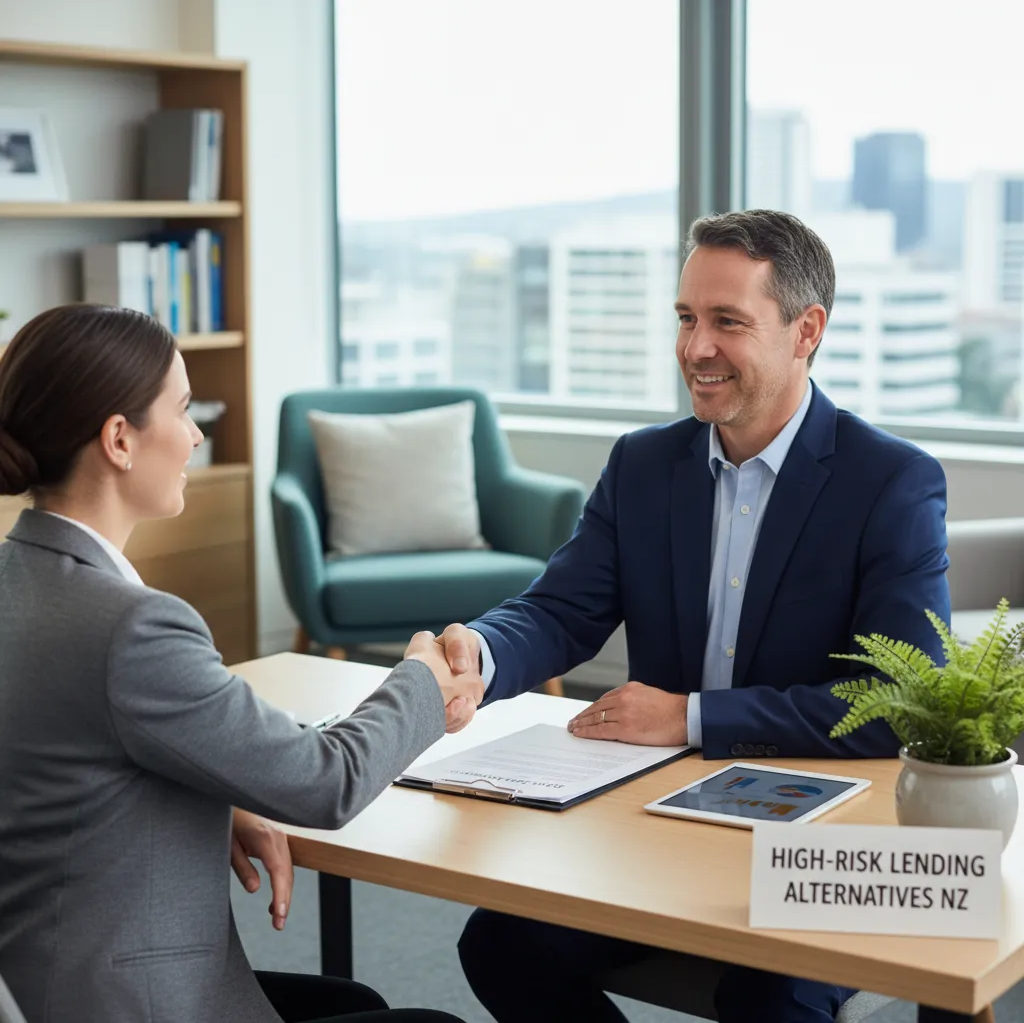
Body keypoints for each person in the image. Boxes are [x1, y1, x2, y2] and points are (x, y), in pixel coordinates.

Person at [436, 210, 951, 1023]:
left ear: (806, 330)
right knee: (501, 943)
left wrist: (689, 716)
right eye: (686, 318)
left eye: (727, 322)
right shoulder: (643, 464)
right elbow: (562, 608)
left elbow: (898, 703)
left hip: (824, 838)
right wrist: (481, 653)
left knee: (769, 996)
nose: (694, 347)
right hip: (658, 821)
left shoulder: (892, 482)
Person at [0, 304, 481, 1023]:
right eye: (184, 409)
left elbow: (64, 765)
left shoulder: (18, 581)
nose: (196, 435)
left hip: (44, 979)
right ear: (120, 440)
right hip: (135, 1002)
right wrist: (420, 679)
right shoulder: (131, 628)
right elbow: (326, 782)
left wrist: (217, 795)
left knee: (357, 1002)